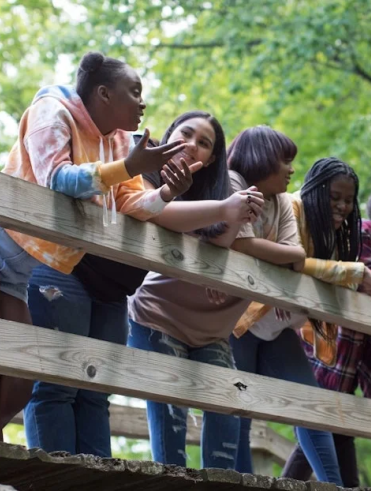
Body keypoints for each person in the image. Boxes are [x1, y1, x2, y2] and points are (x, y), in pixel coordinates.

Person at [0, 51, 189, 451]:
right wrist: (128, 167)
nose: (143, 103)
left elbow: (127, 204)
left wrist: (165, 193)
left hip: (20, 268)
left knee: (20, 380)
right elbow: (56, 178)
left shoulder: (120, 143)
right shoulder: (51, 110)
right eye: (135, 92)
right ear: (104, 94)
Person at [23, 110, 263, 457]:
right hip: (73, 270)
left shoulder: (206, 192)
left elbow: (214, 248)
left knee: (95, 392)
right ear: (168, 135)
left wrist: (232, 214)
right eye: (186, 134)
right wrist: (225, 209)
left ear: (213, 158)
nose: (192, 146)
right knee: (57, 384)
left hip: (114, 291)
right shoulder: (144, 158)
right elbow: (154, 211)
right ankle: (49, 479)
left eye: (204, 143)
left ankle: (91, 481)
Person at [127, 126, 306, 471]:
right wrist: (281, 255)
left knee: (229, 408)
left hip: (212, 329)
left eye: (206, 143)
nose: (291, 169)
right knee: (171, 420)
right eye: (285, 160)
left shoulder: (283, 203)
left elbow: (295, 254)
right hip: (161, 315)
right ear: (263, 157)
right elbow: (243, 244)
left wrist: (285, 256)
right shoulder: (233, 183)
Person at [230, 157, 371, 485]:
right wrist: (358, 272)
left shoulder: (335, 238)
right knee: (239, 406)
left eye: (349, 199)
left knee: (313, 407)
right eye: (334, 197)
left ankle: (331, 485)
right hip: (245, 321)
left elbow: (315, 271)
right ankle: (236, 482)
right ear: (316, 190)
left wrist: (346, 273)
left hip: (279, 331)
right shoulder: (292, 207)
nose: (343, 206)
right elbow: (294, 261)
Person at [282, 177, 371, 487]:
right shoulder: (363, 232)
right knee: (323, 421)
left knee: (338, 424)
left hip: (361, 353)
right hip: (332, 345)